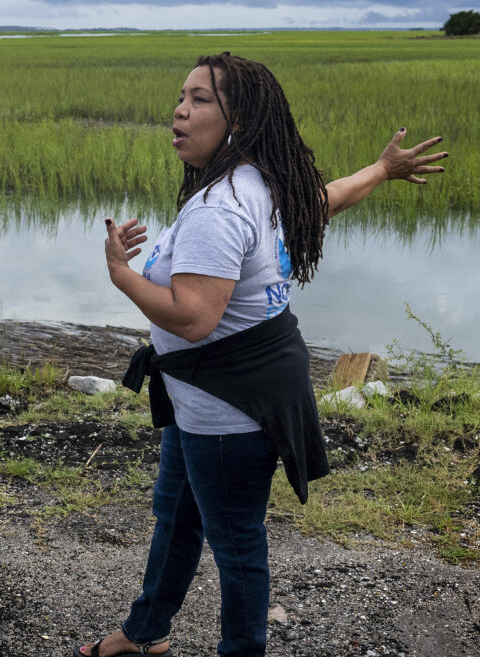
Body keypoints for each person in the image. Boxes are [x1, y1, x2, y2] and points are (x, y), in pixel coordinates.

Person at [77, 52, 447, 657]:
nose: (179, 110)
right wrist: (380, 170)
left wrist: (121, 272)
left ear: (240, 122)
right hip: (216, 394)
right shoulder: (262, 181)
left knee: (237, 546)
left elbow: (195, 318)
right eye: (181, 95)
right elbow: (321, 201)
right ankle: (144, 632)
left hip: (227, 407)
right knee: (177, 518)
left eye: (200, 100)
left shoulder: (219, 208)